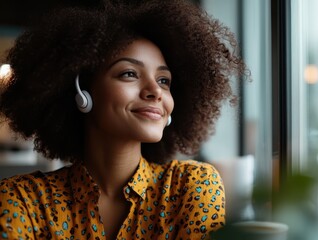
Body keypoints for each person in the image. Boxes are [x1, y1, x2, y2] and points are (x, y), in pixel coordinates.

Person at [0, 0, 246, 239]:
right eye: (129, 73)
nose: (155, 91)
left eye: (164, 81)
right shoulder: (22, 199)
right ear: (81, 93)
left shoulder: (192, 186)